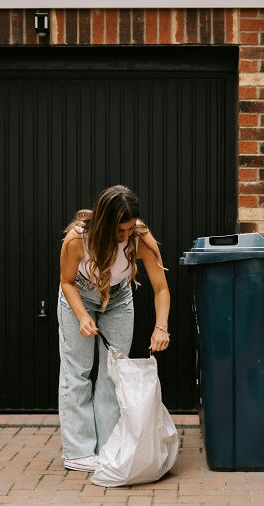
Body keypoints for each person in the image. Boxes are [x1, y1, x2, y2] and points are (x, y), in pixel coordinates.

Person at [57, 185, 170, 472]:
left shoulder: (139, 239)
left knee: (113, 371)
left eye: (130, 229)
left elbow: (161, 289)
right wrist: (82, 316)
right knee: (77, 371)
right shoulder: (77, 240)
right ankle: (78, 451)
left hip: (118, 298)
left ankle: (107, 447)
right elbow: (66, 281)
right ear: (104, 223)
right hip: (79, 296)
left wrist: (161, 327)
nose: (125, 236)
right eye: (120, 230)